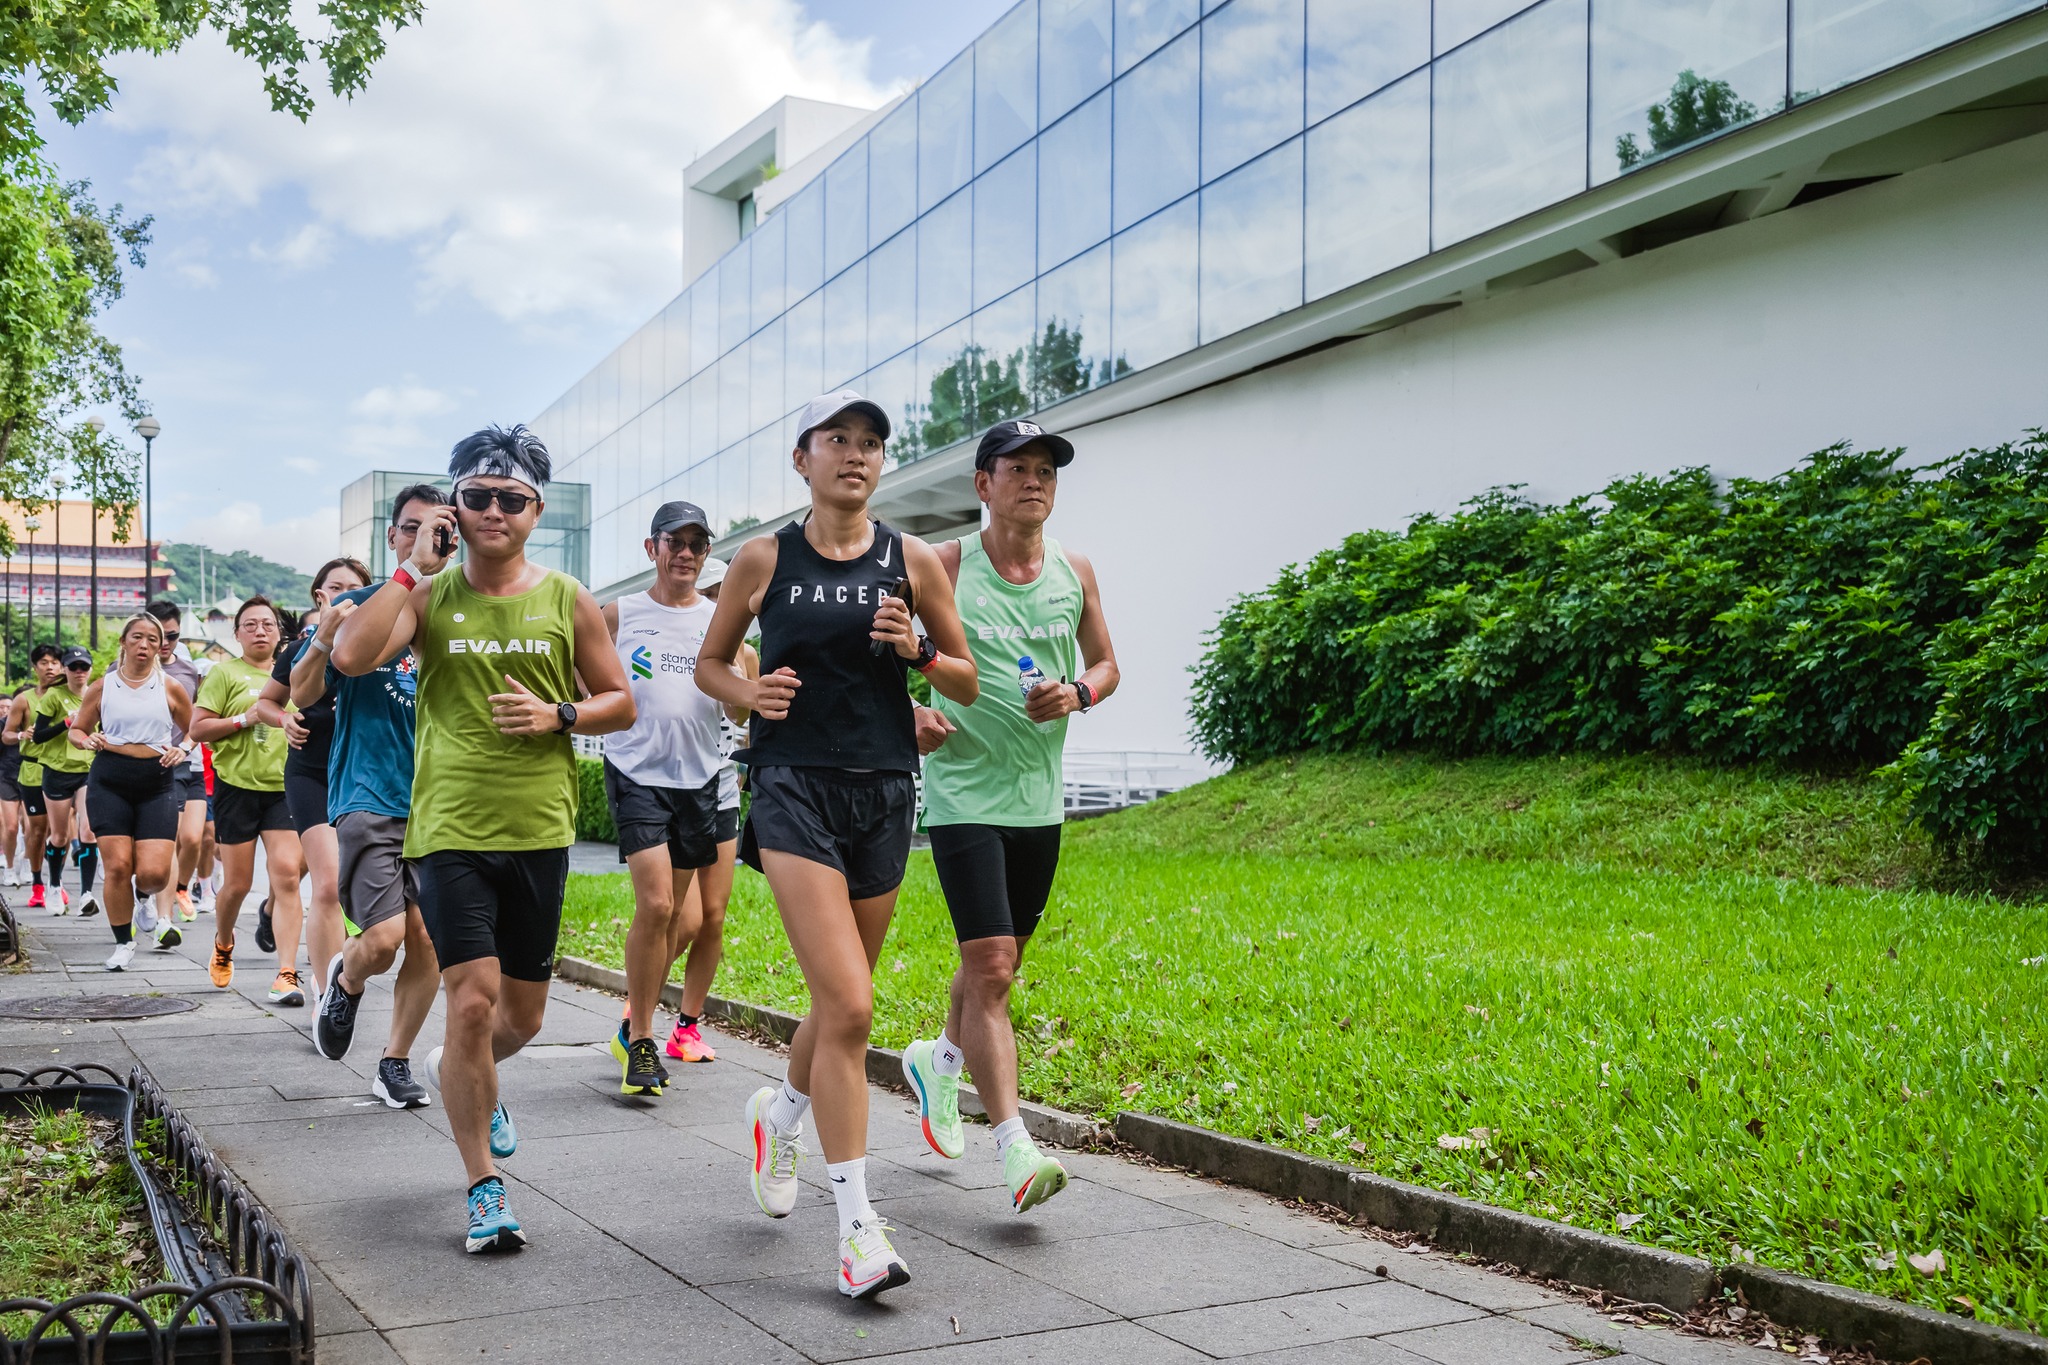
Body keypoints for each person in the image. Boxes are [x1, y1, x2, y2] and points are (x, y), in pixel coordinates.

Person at [696, 390, 977, 1300]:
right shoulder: (763, 556)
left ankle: (780, 1114)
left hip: (885, 793)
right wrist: (749, 696)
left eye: (870, 444)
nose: (855, 455)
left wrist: (919, 654)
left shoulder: (916, 559)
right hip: (790, 789)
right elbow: (711, 661)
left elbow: (966, 680)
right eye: (837, 441)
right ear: (802, 458)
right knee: (852, 1004)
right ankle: (858, 1227)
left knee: (836, 998)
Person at [332, 426, 632, 1254]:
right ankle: (483, 1188)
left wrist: (559, 714)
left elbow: (619, 701)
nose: (493, 510)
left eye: (511, 497)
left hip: (538, 828)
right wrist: (409, 569)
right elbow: (352, 655)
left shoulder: (566, 597)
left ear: (535, 509)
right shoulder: (427, 597)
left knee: (521, 1017)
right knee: (471, 1001)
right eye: (476, 496)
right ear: (453, 507)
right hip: (448, 829)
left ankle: (469, 1074)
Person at [899, 419, 1121, 1214]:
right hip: (962, 791)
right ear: (982, 485)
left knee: (997, 962)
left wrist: (1078, 692)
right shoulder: (946, 564)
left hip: (1038, 797)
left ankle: (939, 1060)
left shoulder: (1075, 571)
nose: (1034, 480)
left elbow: (1107, 664)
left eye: (1046, 471)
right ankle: (1016, 1147)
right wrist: (910, 712)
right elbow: (880, 650)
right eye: (1016, 468)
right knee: (991, 967)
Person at [307, 485, 446, 1110]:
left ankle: (394, 1061)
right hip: (369, 794)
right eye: (411, 529)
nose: (424, 539)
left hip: (442, 804)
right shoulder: (360, 604)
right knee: (385, 938)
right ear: (394, 538)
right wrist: (318, 640)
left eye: (436, 530)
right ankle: (348, 975)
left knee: (430, 942)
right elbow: (306, 693)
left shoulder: (459, 609)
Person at [600, 500, 741, 1096]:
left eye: (696, 544)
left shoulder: (721, 620)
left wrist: (751, 690)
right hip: (635, 769)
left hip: (700, 779)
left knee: (683, 914)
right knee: (656, 907)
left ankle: (637, 1020)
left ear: (706, 554)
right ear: (651, 548)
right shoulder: (618, 614)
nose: (685, 553)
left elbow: (736, 702)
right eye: (673, 542)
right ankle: (642, 1043)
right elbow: (584, 674)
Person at [657, 554, 754, 1065]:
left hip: (721, 786)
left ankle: (687, 1026)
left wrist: (734, 665)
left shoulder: (746, 652)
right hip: (675, 786)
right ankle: (637, 1007)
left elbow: (742, 713)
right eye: (713, 593)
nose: (718, 603)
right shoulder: (674, 641)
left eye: (724, 594)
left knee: (713, 916)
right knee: (682, 917)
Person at [189, 598, 306, 1002]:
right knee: (237, 884)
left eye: (268, 624)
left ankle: (287, 973)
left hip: (283, 789)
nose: (260, 630)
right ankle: (223, 943)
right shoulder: (224, 673)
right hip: (236, 788)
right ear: (236, 634)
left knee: (288, 874)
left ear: (279, 632)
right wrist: (245, 719)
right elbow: (198, 729)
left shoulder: (295, 672)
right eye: (250, 625)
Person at [262, 558, 370, 999]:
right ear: (320, 596)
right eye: (336, 587)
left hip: (365, 774)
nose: (346, 595)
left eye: (356, 588)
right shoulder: (302, 647)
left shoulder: (388, 646)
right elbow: (267, 703)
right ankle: (328, 996)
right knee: (327, 883)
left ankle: (345, 967)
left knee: (357, 892)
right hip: (312, 774)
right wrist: (284, 719)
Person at [68, 614, 193, 969]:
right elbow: (76, 730)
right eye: (137, 638)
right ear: (123, 642)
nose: (145, 645)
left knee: (154, 874)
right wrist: (86, 739)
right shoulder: (102, 687)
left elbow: (195, 728)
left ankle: (144, 897)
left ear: (160, 646)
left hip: (156, 781)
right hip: (110, 778)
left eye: (153, 640)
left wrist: (182, 748)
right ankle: (123, 943)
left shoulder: (170, 687)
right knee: (119, 866)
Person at [146, 599, 207, 922]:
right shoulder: (126, 671)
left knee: (194, 839)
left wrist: (185, 746)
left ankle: (181, 887)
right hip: (149, 766)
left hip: (187, 762)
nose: (167, 644)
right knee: (167, 842)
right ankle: (163, 917)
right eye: (161, 636)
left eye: (173, 636)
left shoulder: (188, 671)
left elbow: (196, 721)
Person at [31, 648, 99, 916]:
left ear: (91, 670)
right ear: (66, 671)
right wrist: (66, 723)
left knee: (89, 831)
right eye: (74, 667)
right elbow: (38, 737)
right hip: (57, 771)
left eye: (84, 667)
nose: (79, 672)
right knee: (59, 836)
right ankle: (54, 885)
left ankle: (86, 894)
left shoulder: (97, 694)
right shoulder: (53, 696)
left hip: (87, 769)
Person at [5, 653, 61, 907]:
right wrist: (20, 735)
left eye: (54, 663)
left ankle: (55, 882)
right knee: (35, 830)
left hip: (64, 770)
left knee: (62, 832)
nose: (50, 668)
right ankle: (38, 882)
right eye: (44, 663)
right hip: (32, 770)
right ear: (35, 667)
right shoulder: (23, 700)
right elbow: (5, 735)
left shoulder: (72, 695)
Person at [0, 683, 23, 888]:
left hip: (33, 776)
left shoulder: (41, 721)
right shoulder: (4, 724)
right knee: (11, 826)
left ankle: (27, 863)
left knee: (35, 828)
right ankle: (8, 867)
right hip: (7, 777)